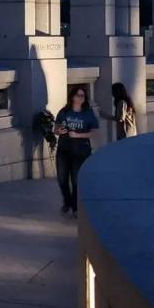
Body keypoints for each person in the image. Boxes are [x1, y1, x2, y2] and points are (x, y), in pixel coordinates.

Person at [53, 85, 99, 218]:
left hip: (81, 150)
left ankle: (75, 206)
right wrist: (59, 131)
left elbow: (94, 133)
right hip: (64, 149)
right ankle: (67, 201)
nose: (81, 98)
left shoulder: (88, 113)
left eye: (83, 96)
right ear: (72, 97)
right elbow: (56, 129)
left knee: (76, 180)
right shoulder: (64, 112)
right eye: (79, 95)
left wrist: (78, 135)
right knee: (62, 179)